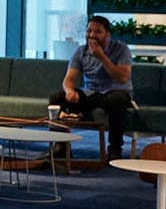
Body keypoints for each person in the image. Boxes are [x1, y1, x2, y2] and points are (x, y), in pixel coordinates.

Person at [53, 15, 135, 160]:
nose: (92, 35)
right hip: (91, 93)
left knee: (116, 99)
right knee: (57, 97)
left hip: (116, 91)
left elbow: (122, 78)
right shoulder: (81, 51)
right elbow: (69, 78)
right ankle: (60, 146)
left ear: (107, 34)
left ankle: (115, 149)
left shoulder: (121, 49)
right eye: (89, 31)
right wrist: (69, 91)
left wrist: (102, 57)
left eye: (97, 32)